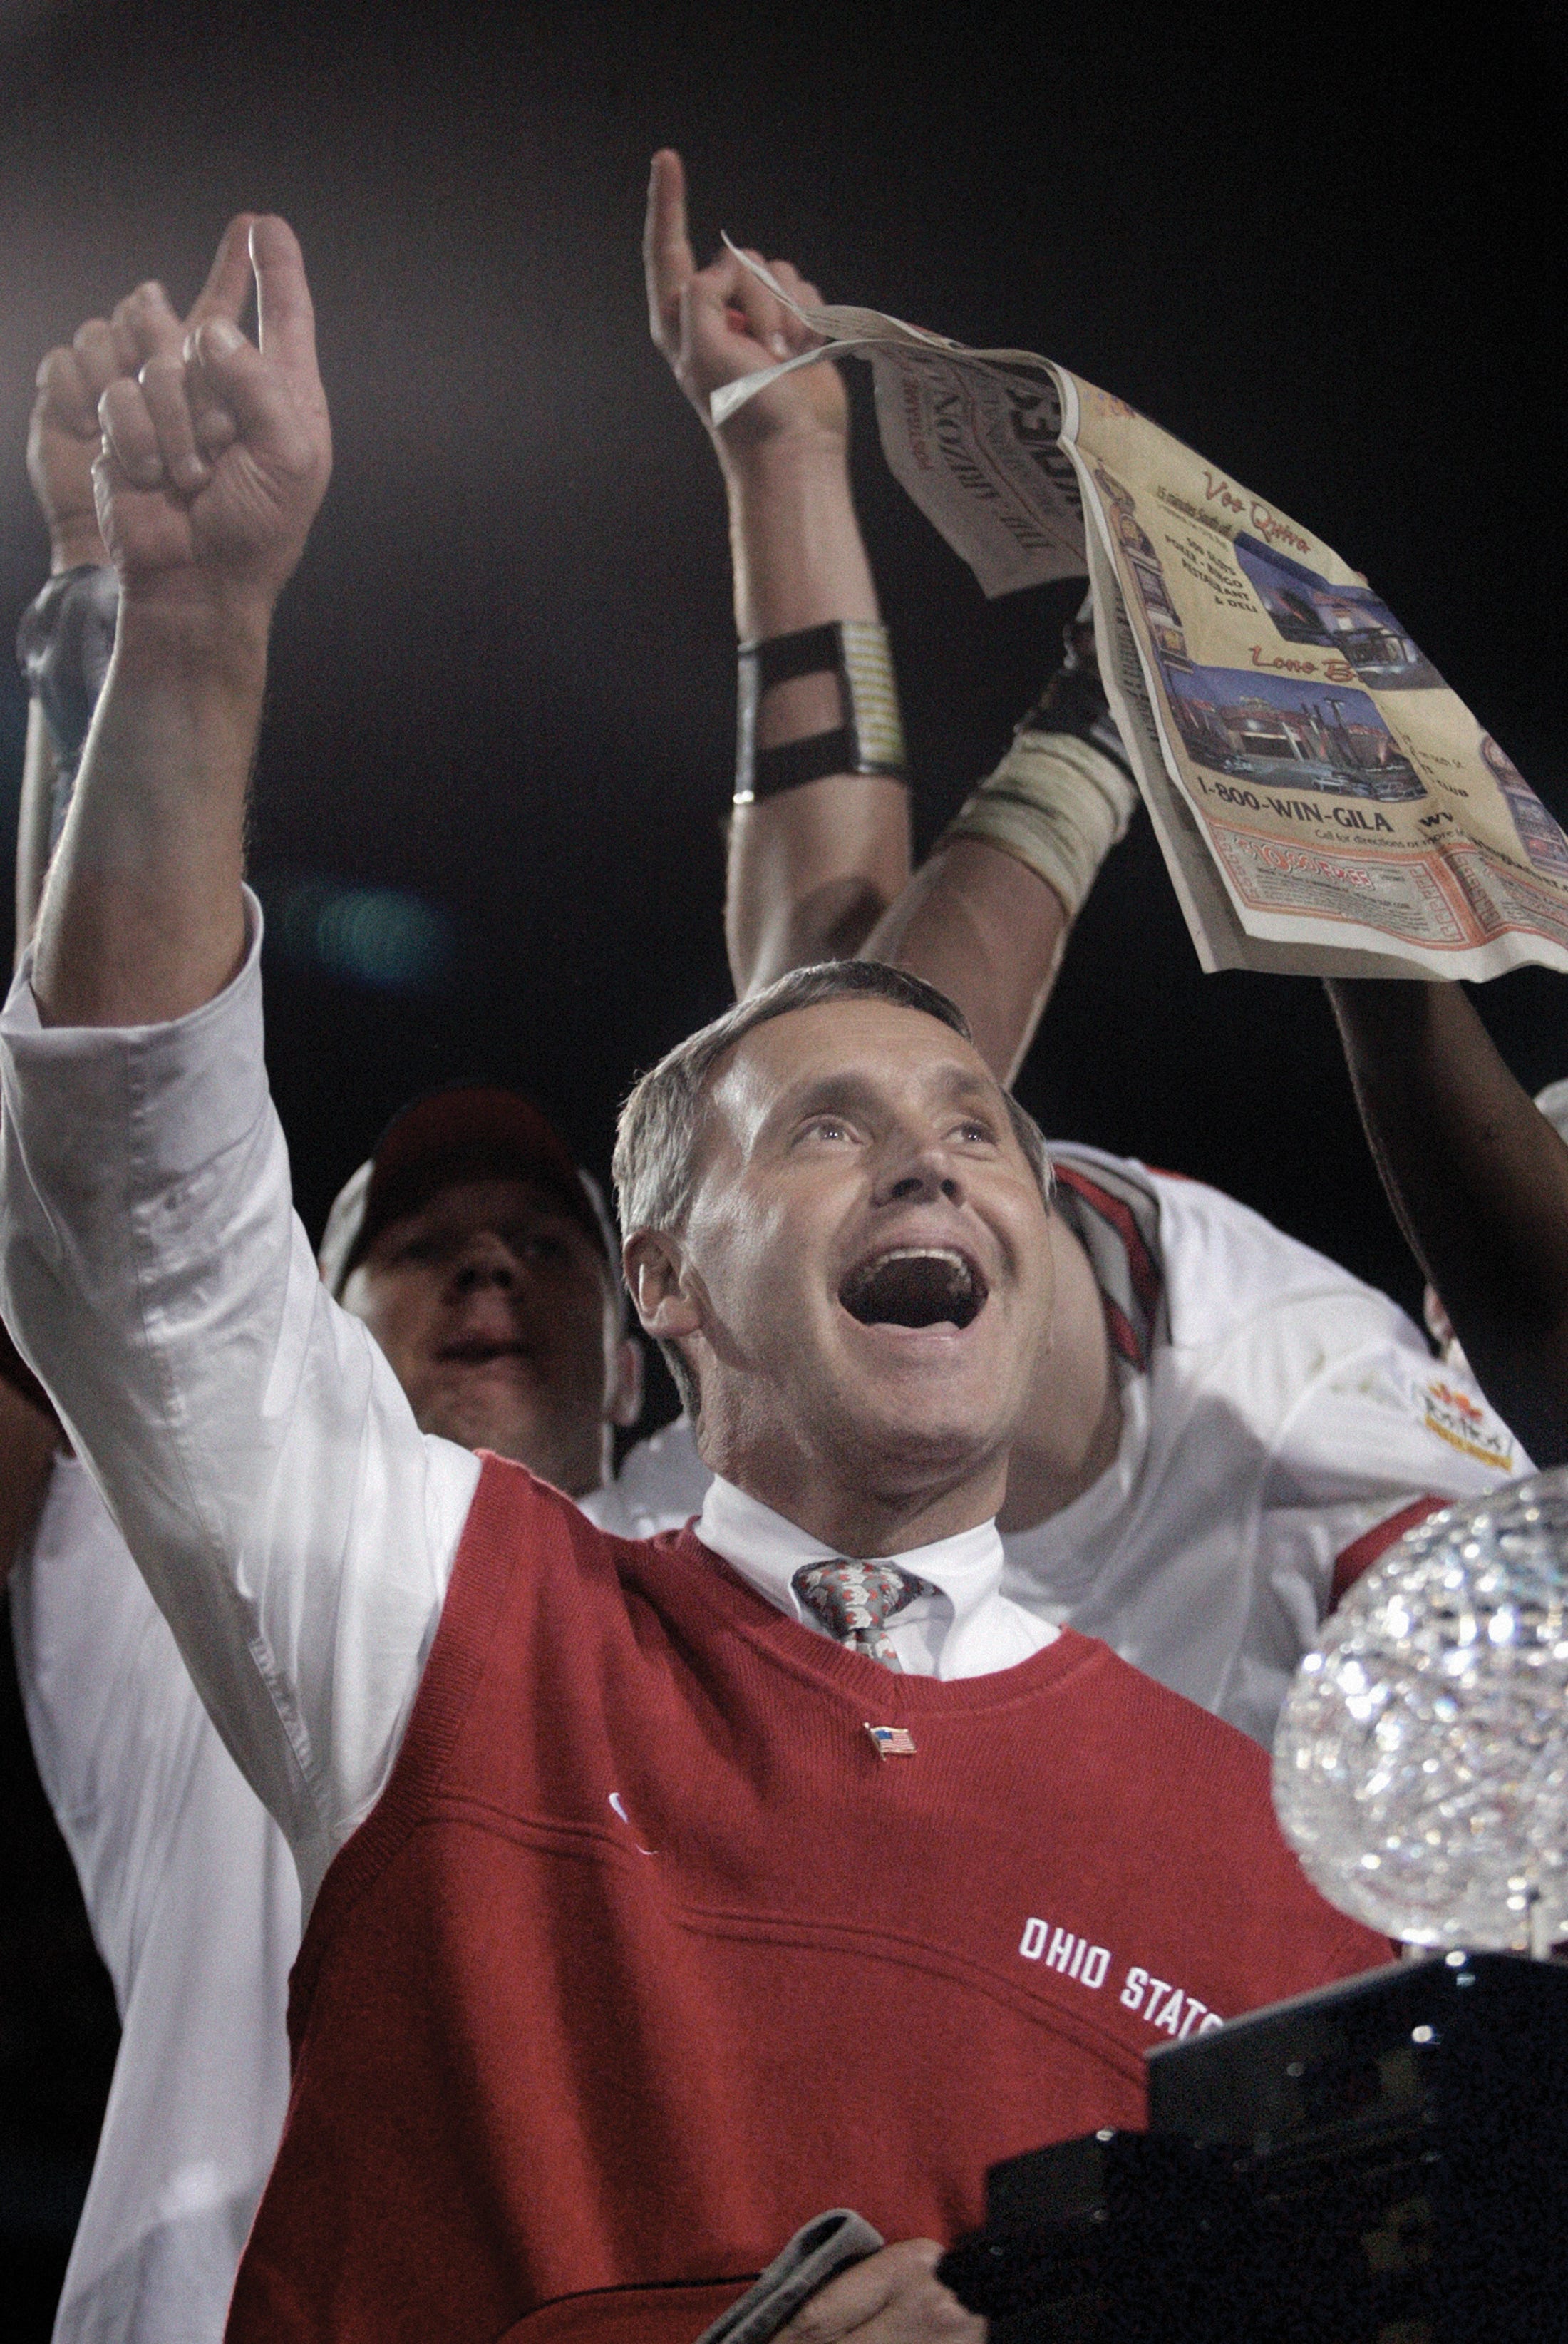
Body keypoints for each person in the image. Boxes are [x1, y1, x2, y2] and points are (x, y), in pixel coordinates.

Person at [0, 213, 1391, 2344]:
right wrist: (170, 641)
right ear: (674, 1289)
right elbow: (142, 1220)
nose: (933, 1147)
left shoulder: (1282, 1878)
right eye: (827, 1131)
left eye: (982, 1129)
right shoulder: (448, 1613)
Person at [637, 150, 1530, 1747]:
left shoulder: (1320, 1444)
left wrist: (781, 469)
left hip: (1232, 1468)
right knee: (803, 1110)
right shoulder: (624, 1517)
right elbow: (820, 1016)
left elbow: (829, 1016)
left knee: (821, 1103)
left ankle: (1091, 729)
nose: (490, 1276)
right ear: (641, 1296)